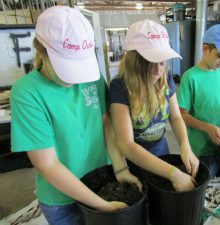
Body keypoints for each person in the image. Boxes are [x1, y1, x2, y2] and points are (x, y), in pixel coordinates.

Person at [10, 6, 141, 225]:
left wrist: (120, 167)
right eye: (66, 65)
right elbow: (47, 164)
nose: (76, 79)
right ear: (42, 50)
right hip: (63, 199)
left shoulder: (90, 76)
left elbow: (105, 122)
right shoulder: (27, 92)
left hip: (102, 179)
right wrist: (103, 206)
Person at [109, 19, 199, 192]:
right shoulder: (120, 87)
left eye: (162, 62)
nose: (158, 71)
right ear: (134, 62)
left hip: (162, 152)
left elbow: (175, 116)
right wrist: (174, 174)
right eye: (151, 63)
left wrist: (185, 146)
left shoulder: (164, 78)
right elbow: (126, 144)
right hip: (136, 162)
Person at [177, 24, 220, 177]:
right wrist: (208, 128)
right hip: (203, 149)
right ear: (206, 49)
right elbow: (182, 115)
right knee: (204, 181)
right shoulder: (191, 77)